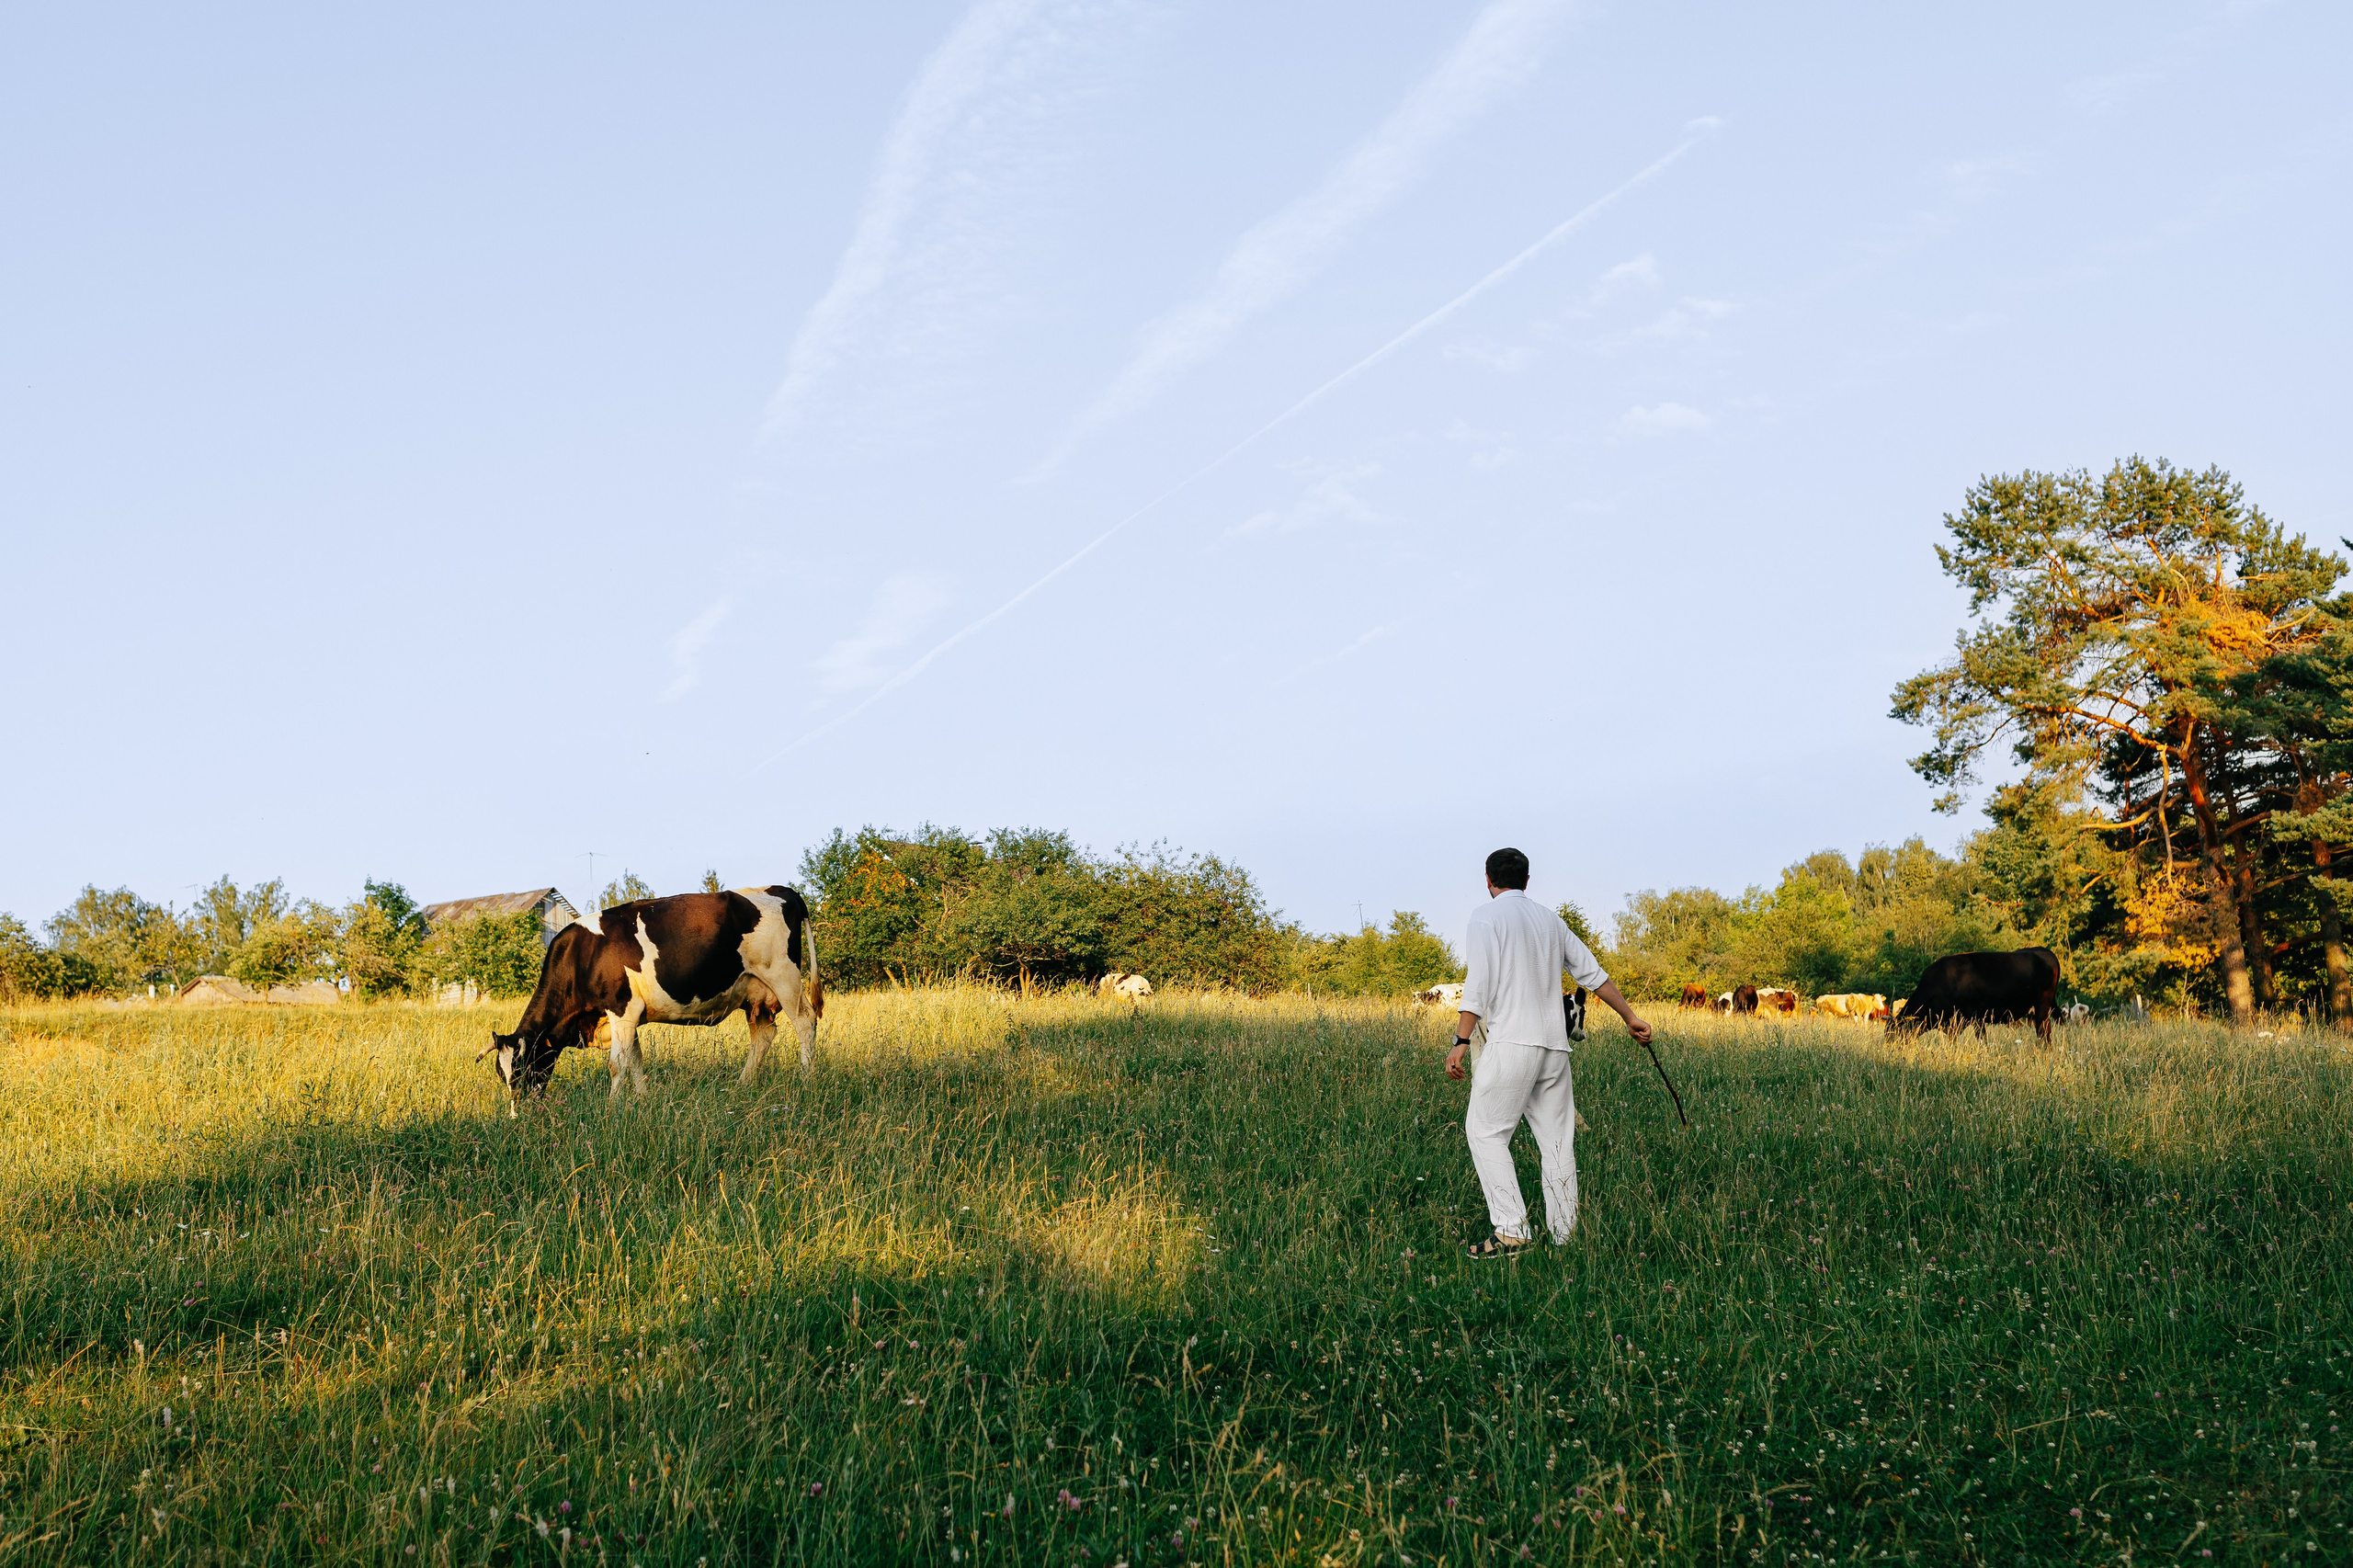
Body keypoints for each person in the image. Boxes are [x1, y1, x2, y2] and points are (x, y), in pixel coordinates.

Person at [1448, 846, 1653, 1260]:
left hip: (1511, 1044)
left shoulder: (1485, 917)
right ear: (1527, 880)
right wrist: (1630, 1017)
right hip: (1555, 1048)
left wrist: (1461, 1041)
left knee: (1485, 1131)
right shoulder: (1550, 919)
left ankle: (1510, 1231)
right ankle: (1564, 1238)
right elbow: (1593, 973)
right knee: (1558, 1143)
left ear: (1488, 880)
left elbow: (1479, 983)